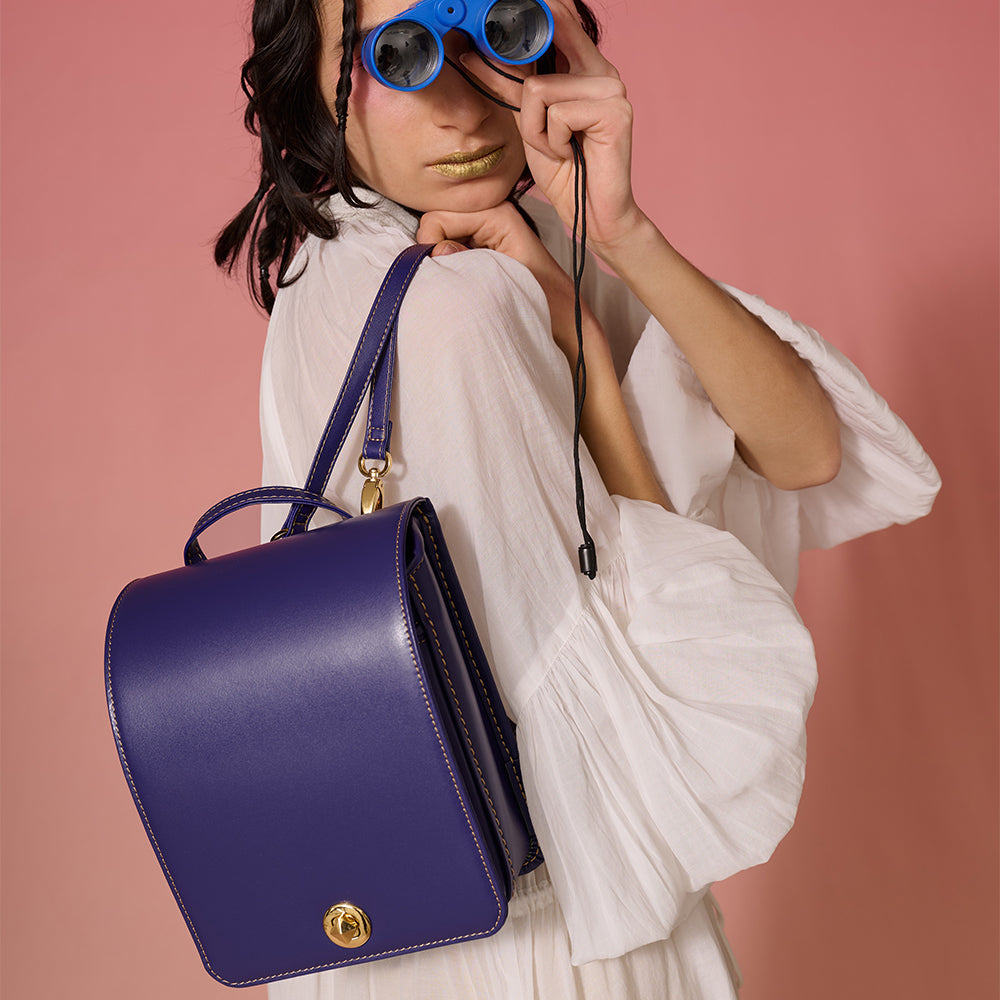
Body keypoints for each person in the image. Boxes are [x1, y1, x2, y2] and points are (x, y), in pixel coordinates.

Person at [215, 1, 941, 997]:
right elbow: (659, 679)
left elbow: (804, 446)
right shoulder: (457, 302)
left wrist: (620, 230)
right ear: (311, 87)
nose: (462, 108)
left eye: (484, 33)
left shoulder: (376, 257)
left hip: (400, 916)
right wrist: (587, 354)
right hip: (543, 928)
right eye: (400, 55)